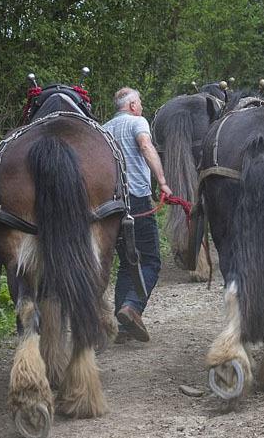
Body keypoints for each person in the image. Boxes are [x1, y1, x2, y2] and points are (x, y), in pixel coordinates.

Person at [103, 87, 172, 343]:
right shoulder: (137, 122)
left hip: (110, 205)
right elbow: (145, 145)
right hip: (137, 199)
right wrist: (162, 181)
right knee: (151, 259)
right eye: (139, 102)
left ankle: (122, 328)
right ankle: (132, 306)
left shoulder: (104, 128)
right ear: (132, 105)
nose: (141, 106)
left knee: (126, 262)